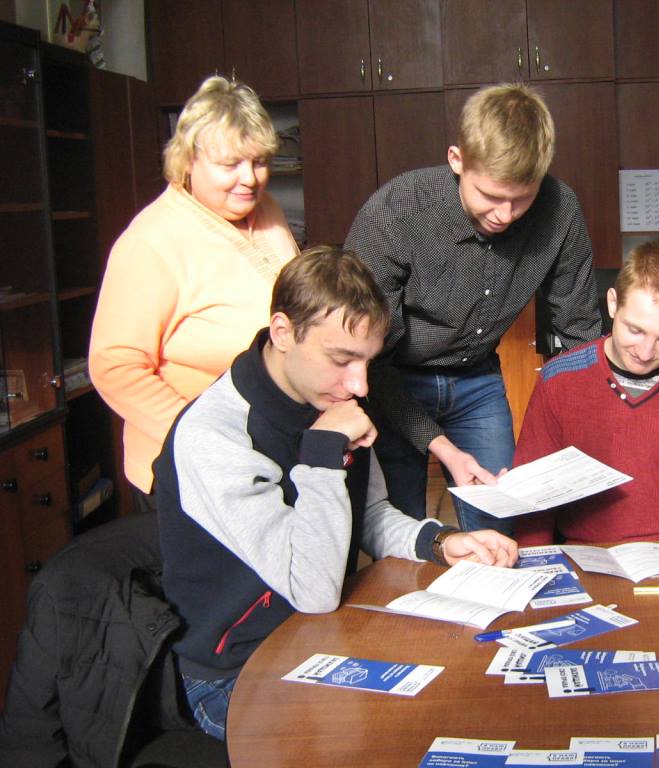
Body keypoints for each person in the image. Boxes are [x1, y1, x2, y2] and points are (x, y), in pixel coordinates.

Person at [153, 247, 518, 741]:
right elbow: (313, 591)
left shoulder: (328, 395)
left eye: (367, 362)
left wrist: (441, 542)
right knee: (399, 738)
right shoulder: (215, 435)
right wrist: (323, 453)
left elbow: (369, 513)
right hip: (236, 670)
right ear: (283, 332)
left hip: (319, 636)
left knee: (468, 695)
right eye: (342, 359)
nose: (359, 384)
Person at [344, 83, 601, 535]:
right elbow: (367, 359)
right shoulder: (394, 214)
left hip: (477, 379)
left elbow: (579, 328)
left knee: (501, 524)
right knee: (405, 532)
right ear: (457, 160)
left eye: (521, 198)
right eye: (490, 195)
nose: (505, 214)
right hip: (392, 379)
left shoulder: (560, 210)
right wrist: (440, 445)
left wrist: (584, 423)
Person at [90, 75, 298, 512]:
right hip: (193, 469)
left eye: (260, 161)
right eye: (230, 164)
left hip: (268, 451)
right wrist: (203, 435)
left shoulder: (267, 211)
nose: (250, 179)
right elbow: (114, 366)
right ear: (188, 161)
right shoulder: (151, 241)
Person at [514, 241, 659, 546]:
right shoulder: (558, 381)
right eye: (635, 330)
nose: (645, 352)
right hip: (580, 553)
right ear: (613, 303)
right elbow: (533, 500)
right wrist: (538, 565)